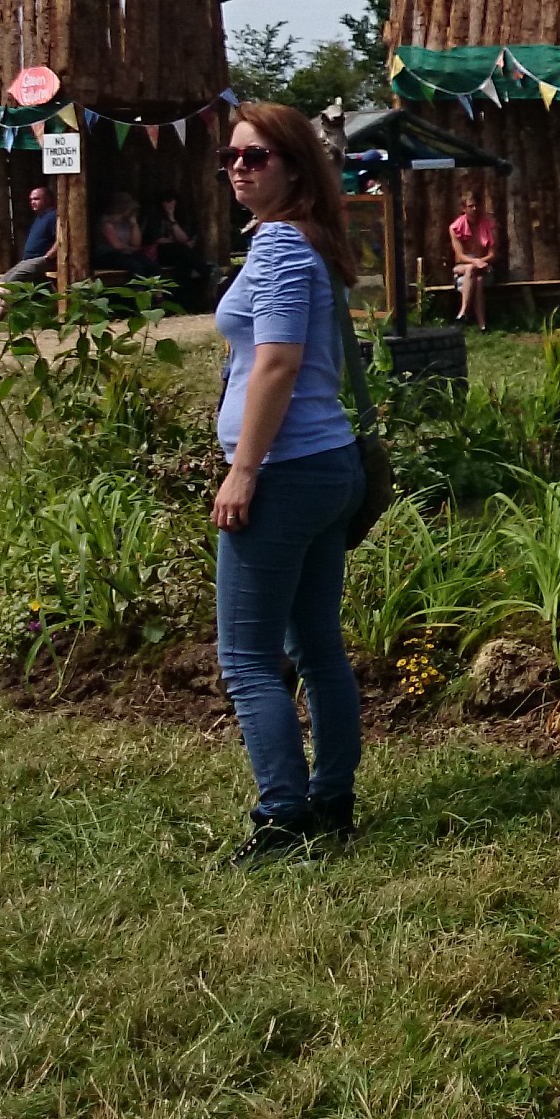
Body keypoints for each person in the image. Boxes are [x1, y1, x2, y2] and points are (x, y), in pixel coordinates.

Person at [210, 101, 367, 865]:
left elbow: (277, 361)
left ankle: (283, 817)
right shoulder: (311, 241)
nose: (238, 169)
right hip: (327, 463)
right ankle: (331, 799)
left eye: (256, 157)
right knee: (317, 647)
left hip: (284, 471)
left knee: (246, 658)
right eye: (231, 157)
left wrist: (243, 471)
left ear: (297, 169)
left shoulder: (278, 245)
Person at [0, 186, 60, 319]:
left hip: (42, 260)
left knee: (13, 280)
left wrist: (49, 256)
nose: (32, 202)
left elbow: (60, 239)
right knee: (4, 279)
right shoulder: (40, 217)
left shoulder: (53, 216)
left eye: (36, 199)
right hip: (29, 260)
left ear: (47, 200)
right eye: (31, 200)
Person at [447, 179, 498, 327]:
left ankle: (465, 315)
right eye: (471, 206)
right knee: (470, 269)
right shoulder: (455, 228)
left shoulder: (489, 226)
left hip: (484, 268)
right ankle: (480, 323)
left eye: (477, 205)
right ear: (464, 208)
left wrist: (481, 261)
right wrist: (475, 262)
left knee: (479, 280)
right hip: (463, 267)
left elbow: (493, 254)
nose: (475, 209)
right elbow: (460, 256)